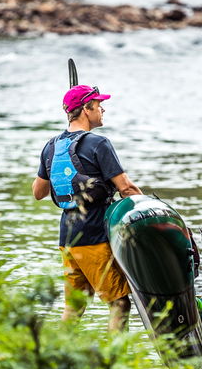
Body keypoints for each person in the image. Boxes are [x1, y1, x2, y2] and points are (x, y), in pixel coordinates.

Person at [32, 84, 142, 332]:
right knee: (119, 304)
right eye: (98, 105)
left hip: (68, 238)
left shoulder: (51, 146)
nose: (102, 109)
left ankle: (57, 359)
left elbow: (38, 192)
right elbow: (125, 188)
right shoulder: (99, 144)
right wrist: (149, 212)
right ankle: (115, 365)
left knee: (75, 307)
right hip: (94, 236)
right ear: (85, 109)